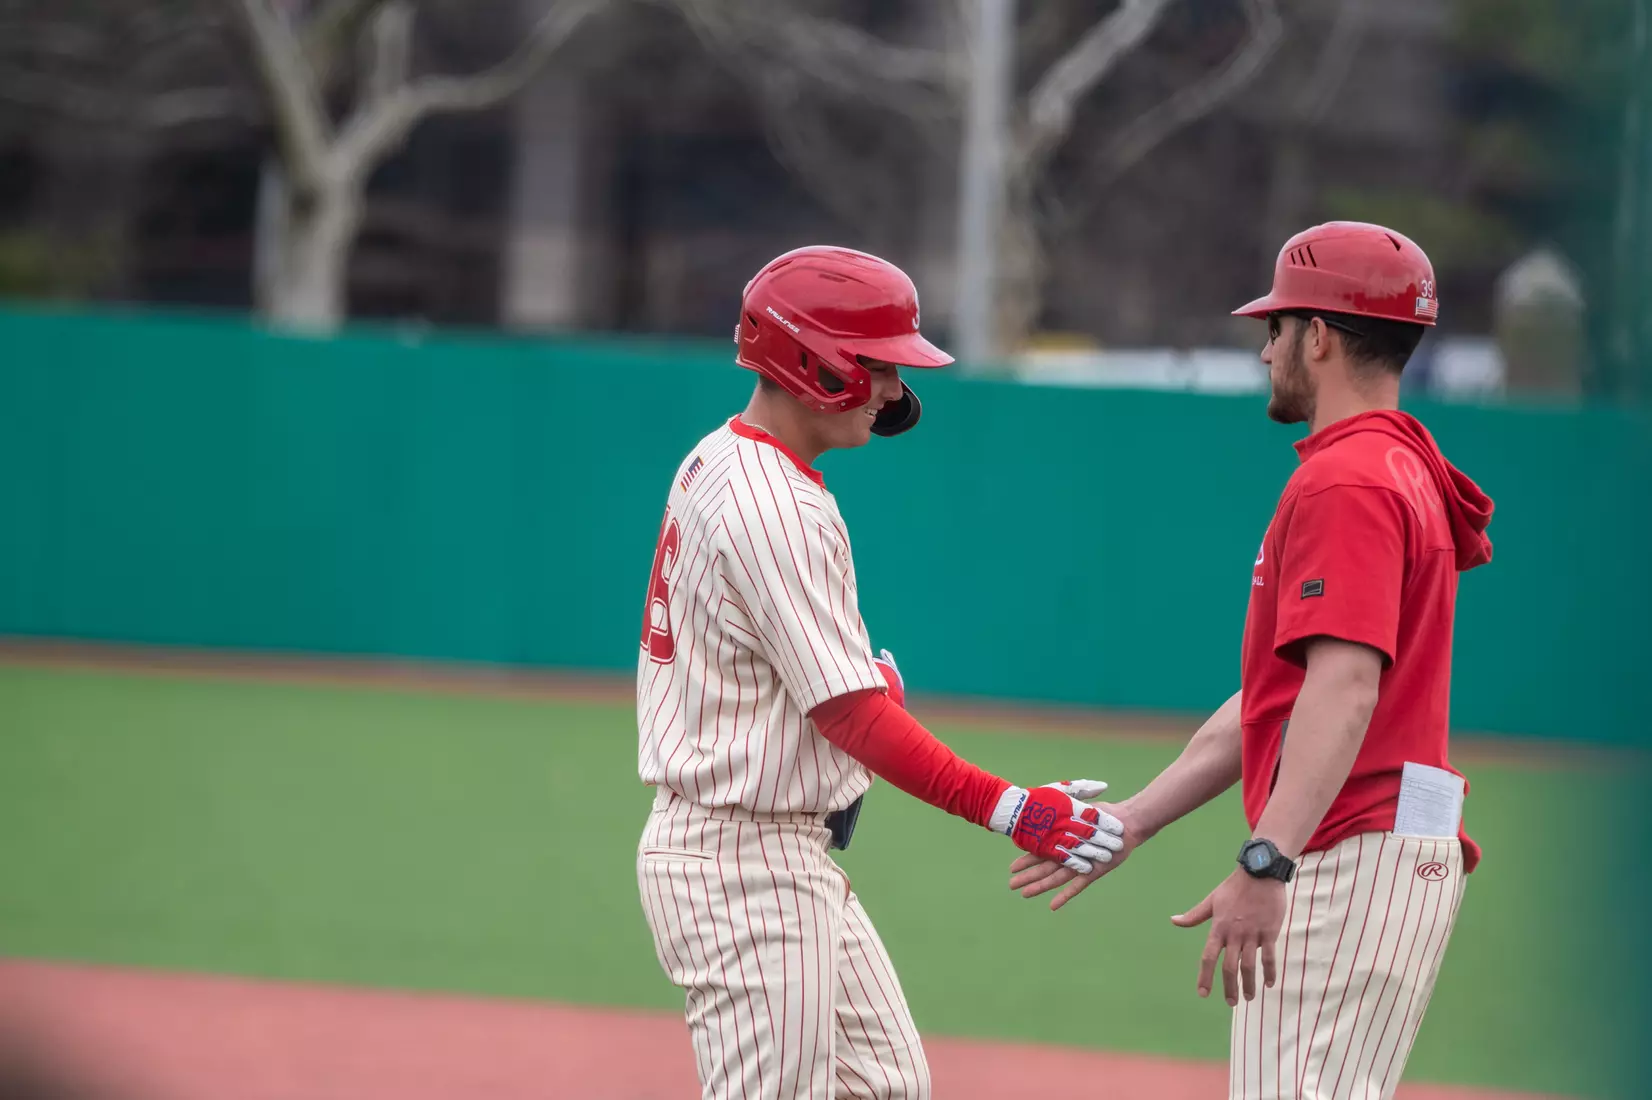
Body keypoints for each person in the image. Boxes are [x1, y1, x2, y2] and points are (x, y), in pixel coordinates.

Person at [1008, 221, 1495, 1100]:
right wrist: (1138, 819)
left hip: (1347, 852)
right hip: (1382, 850)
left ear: (1319, 335)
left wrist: (1266, 860)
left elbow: (1344, 692)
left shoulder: (1348, 479)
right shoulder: (1398, 462)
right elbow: (1289, 696)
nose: (1266, 349)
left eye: (1275, 328)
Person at [636, 244, 1125, 1100]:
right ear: (812, 361)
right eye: (880, 365)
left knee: (888, 1086)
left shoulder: (729, 457)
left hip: (774, 851)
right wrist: (1011, 808)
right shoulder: (771, 503)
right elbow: (852, 717)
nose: (897, 389)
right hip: (742, 861)